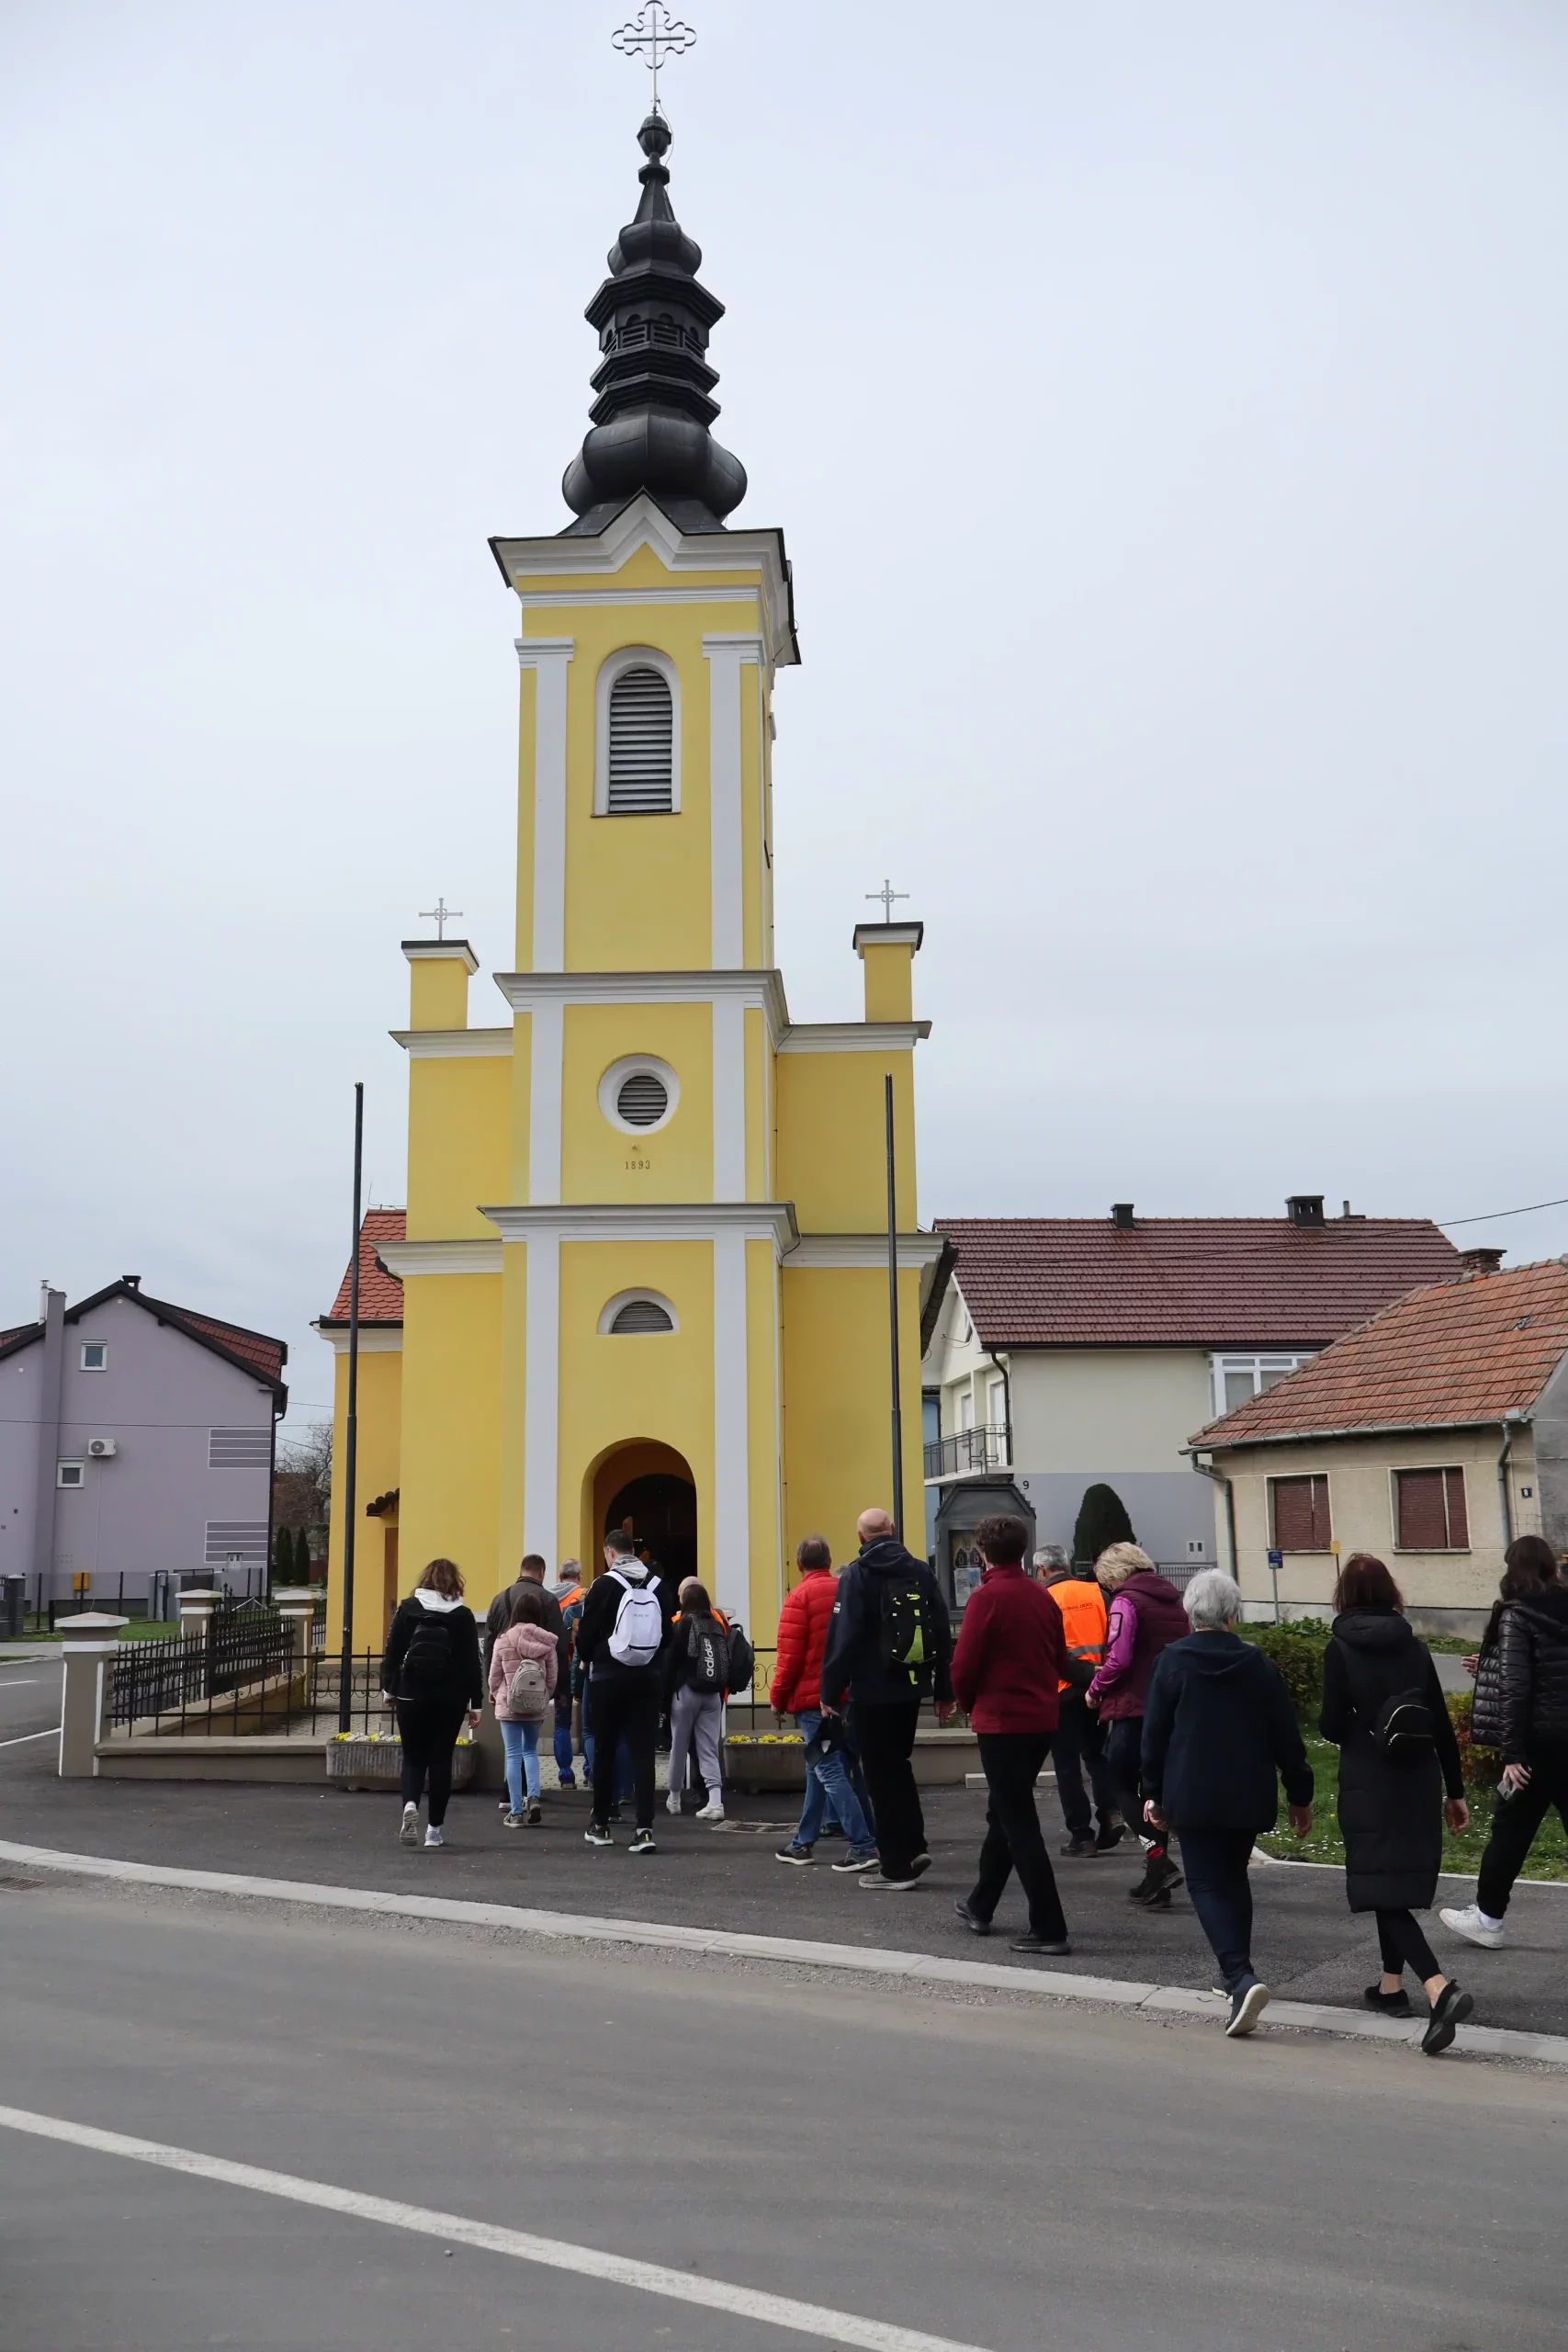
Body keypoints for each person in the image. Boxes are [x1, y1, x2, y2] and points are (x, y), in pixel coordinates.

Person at [1141, 1569, 1314, 2038]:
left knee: (1204, 1882)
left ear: (1190, 1613)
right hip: (1247, 1790)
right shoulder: (1258, 1664)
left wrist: (1151, 1792)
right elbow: (1286, 1736)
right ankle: (1234, 1975)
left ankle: (1240, 1976)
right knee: (1233, 1877)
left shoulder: (1172, 1662)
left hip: (1191, 1791)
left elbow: (1154, 1734)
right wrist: (1300, 1794)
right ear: (1233, 1615)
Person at [1319, 1553, 1473, 2055]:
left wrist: (1359, 1725)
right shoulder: (1415, 1648)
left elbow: (1329, 1724)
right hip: (1419, 1777)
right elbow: (1441, 1725)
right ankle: (1390, 1987)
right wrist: (1456, 1791)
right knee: (1392, 1883)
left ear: (1344, 1595)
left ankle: (1438, 1987)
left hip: (1370, 1779)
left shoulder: (1340, 1649)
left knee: (1382, 1889)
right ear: (1391, 1593)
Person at [949, 1514, 1072, 1954]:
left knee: (1018, 1821)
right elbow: (1058, 1657)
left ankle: (1050, 1927)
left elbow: (964, 1665)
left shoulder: (986, 1598)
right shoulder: (1042, 1597)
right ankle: (980, 1905)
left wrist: (967, 1703)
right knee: (1003, 1813)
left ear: (983, 1552)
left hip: (1002, 1722)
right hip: (1041, 1719)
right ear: (1023, 1551)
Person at [1441, 1535, 1568, 1951]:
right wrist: (1492, 1665)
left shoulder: (1516, 1614)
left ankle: (1488, 1920)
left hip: (1535, 1750)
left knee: (1510, 1833)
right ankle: (1486, 1917)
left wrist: (1513, 1754)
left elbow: (1516, 1688)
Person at [819, 1507, 954, 1892]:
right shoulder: (920, 1570)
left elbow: (843, 1637)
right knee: (900, 1766)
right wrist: (944, 1690)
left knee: (879, 1775)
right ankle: (914, 1846)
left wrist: (829, 1692)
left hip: (872, 1690)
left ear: (861, 1537)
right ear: (892, 1530)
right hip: (911, 1686)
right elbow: (941, 1629)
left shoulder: (857, 1574)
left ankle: (895, 1866)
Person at [1084, 1544, 1190, 1905]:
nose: (1109, 1588)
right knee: (1152, 1793)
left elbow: (1119, 1658)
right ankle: (1156, 1879)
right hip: (1170, 1708)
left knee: (1118, 1783)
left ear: (1117, 1574)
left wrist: (1096, 1689)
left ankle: (1159, 1862)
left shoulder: (1126, 1601)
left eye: (1108, 1581)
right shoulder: (1174, 1601)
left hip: (1133, 1708)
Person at [771, 1536, 878, 1871]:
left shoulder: (798, 1597)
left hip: (813, 1699)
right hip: (850, 1695)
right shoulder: (846, 1590)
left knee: (828, 1771)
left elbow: (789, 1657)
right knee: (823, 1769)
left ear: (799, 1564)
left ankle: (862, 1845)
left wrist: (777, 1698)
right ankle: (803, 1842)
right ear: (829, 1561)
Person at [575, 1528, 677, 1851]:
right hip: (647, 1678)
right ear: (633, 1550)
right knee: (644, 1752)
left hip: (608, 1678)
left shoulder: (603, 1585)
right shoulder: (659, 1586)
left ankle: (601, 1824)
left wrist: (589, 1658)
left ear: (610, 1552)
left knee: (605, 1749)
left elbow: (585, 1636)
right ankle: (644, 1829)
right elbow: (667, 1636)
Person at [379, 1557, 483, 1849]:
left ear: (425, 1579)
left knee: (413, 1758)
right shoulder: (462, 1615)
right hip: (450, 1697)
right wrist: (476, 1704)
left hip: (411, 1694)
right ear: (455, 1582)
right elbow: (471, 1663)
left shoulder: (407, 1609)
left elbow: (393, 1651)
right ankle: (434, 1831)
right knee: (440, 1760)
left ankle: (410, 1804)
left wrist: (389, 1689)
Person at [1035, 1546, 1122, 1857]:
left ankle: (1082, 1836)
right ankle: (1111, 1814)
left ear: (1042, 1570)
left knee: (1067, 1765)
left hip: (1062, 1691)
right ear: (1066, 1564)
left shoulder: (1044, 1598)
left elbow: (1048, 1653)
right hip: (1098, 1689)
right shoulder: (1098, 1593)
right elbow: (1115, 1639)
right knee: (1098, 1755)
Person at [488, 1584, 559, 1826]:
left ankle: (516, 1811)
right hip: (535, 1705)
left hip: (509, 1704)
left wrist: (494, 1693)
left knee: (513, 1754)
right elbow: (552, 1677)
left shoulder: (503, 1640)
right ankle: (534, 1796)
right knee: (530, 1751)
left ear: (516, 1612)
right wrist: (544, 1696)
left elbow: (494, 1675)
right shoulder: (546, 1642)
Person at [664, 1580, 728, 1824]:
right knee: (709, 1748)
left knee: (679, 1747)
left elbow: (672, 1662)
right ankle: (715, 1801)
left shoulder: (682, 1624)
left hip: (687, 1693)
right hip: (713, 1694)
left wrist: (665, 1696)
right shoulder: (717, 1624)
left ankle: (674, 1798)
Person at [548, 1560, 584, 1789]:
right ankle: (590, 1771)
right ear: (579, 1575)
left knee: (561, 1724)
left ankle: (565, 1776)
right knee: (589, 1727)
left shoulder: (548, 1599)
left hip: (558, 1666)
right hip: (581, 1667)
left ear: (559, 1577)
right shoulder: (584, 1596)